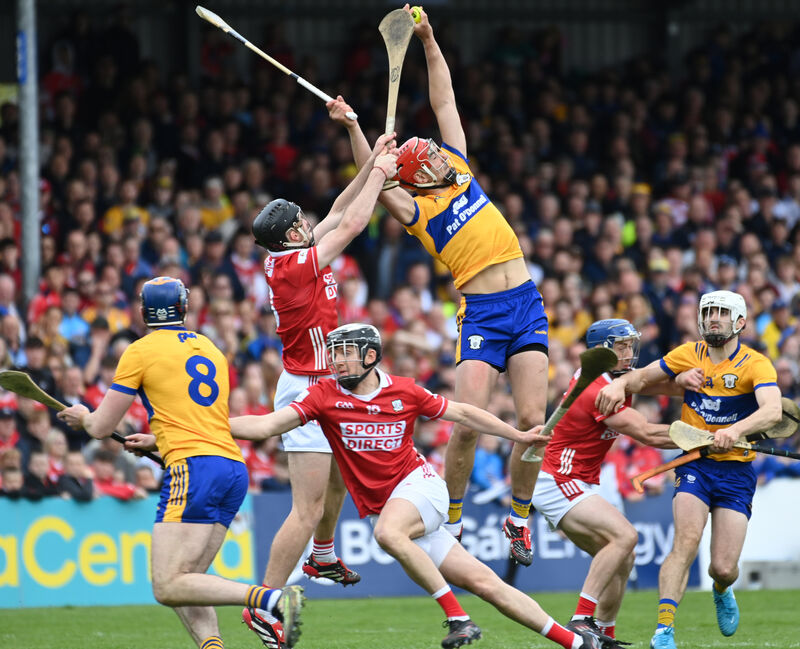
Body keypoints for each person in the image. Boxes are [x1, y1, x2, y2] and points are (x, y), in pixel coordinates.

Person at [130, 323, 609, 649]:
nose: (335, 361)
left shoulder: (404, 390)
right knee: (486, 581)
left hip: (421, 487)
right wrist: (174, 433)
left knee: (388, 535)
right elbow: (263, 426)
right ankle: (575, 641)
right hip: (390, 506)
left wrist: (518, 432)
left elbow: (462, 412)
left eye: (343, 353)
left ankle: (457, 619)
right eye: (332, 352)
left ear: (370, 355)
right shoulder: (323, 395)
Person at [328, 4, 548, 567]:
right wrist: (361, 137)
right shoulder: (417, 210)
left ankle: (519, 519)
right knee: (467, 422)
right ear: (413, 174)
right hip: (482, 313)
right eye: (418, 155)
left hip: (527, 304)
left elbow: (444, 99)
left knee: (533, 423)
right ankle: (448, 520)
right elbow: (375, 187)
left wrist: (428, 39)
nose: (429, 150)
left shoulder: (461, 166)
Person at [57, 276, 305, 649]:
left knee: (167, 584)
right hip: (231, 467)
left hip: (194, 468)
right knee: (189, 579)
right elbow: (201, 418)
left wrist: (83, 417)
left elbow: (102, 426)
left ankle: (268, 599)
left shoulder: (140, 351)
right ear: (184, 309)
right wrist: (159, 440)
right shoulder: (210, 348)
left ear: (142, 312)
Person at [242, 133, 398, 642]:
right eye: (298, 225)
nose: (307, 225)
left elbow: (338, 207)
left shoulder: (299, 249)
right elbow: (353, 223)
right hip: (308, 390)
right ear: (288, 238)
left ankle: (324, 554)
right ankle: (263, 603)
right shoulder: (292, 266)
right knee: (305, 506)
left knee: (338, 480)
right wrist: (382, 173)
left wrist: (373, 158)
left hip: (331, 384)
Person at [595, 291, 782, 649]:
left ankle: (722, 589)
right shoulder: (687, 355)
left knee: (723, 567)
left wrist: (736, 430)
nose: (713, 318)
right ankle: (664, 629)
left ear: (739, 322)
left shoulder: (755, 364)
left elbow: (772, 411)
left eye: (722, 313)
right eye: (708, 311)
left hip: (736, 473)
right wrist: (619, 383)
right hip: (695, 465)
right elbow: (641, 379)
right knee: (685, 542)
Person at [531, 319, 678, 643]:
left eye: (630, 344)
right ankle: (582, 618)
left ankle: (603, 632)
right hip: (558, 478)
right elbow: (647, 432)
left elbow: (658, 383)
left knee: (622, 556)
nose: (629, 352)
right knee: (625, 536)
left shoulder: (614, 381)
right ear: (601, 350)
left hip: (576, 481)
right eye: (621, 345)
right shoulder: (596, 389)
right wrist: (706, 436)